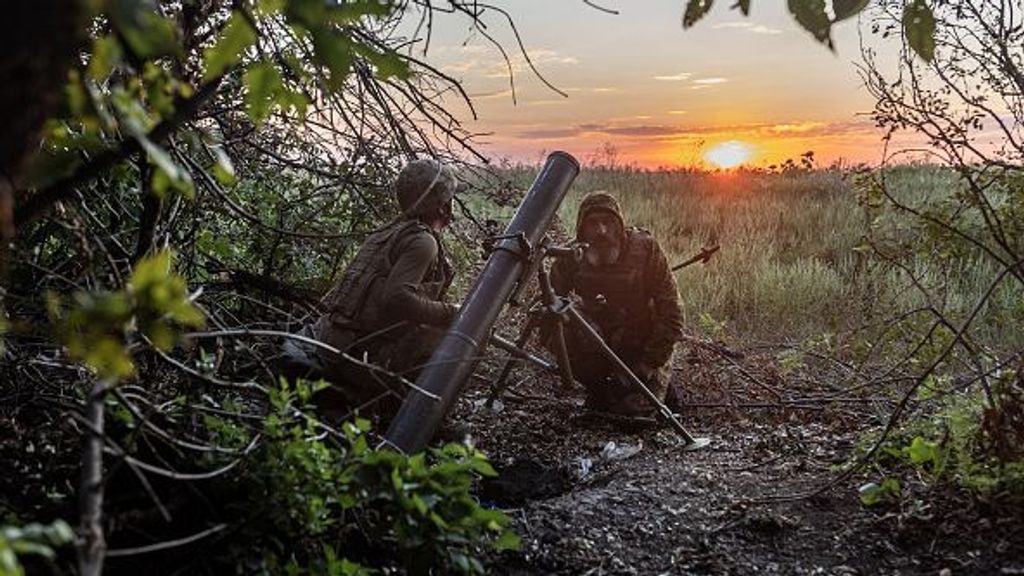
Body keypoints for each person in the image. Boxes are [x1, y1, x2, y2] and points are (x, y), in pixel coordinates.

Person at [284, 158, 460, 424]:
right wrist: (452, 313)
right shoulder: (423, 242)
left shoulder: (387, 232)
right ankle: (417, 422)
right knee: (452, 337)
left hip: (329, 339)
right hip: (356, 353)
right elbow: (396, 299)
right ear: (442, 204)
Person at [549, 191, 684, 417]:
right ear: (582, 228)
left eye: (608, 223)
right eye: (593, 224)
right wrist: (577, 365)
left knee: (633, 416)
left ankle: (652, 385)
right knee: (563, 319)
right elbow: (547, 305)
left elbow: (672, 313)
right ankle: (599, 386)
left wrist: (649, 363)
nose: (601, 231)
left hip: (642, 345)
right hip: (599, 341)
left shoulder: (645, 250)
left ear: (619, 226)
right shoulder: (570, 256)